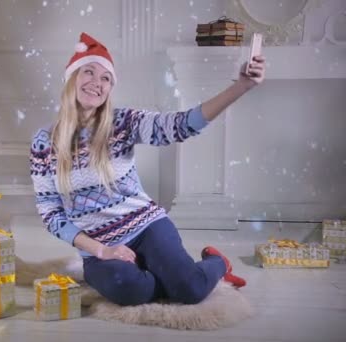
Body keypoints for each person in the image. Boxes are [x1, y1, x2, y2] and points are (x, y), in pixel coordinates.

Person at [30, 32, 265, 306]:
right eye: (89, 72)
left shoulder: (123, 123)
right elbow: (51, 214)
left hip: (146, 226)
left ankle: (217, 263)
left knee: (189, 289)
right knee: (132, 291)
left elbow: (180, 125)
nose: (97, 83)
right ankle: (155, 275)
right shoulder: (43, 142)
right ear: (71, 79)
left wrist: (241, 86)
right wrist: (102, 251)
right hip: (98, 246)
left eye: (106, 78)